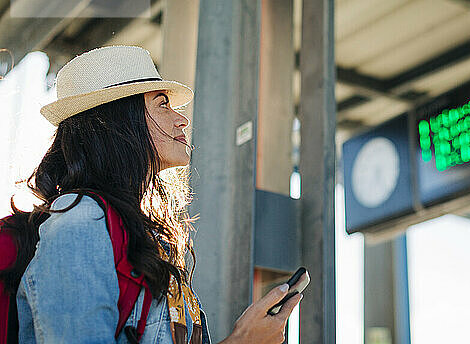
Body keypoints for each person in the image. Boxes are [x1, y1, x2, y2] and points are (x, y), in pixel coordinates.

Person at [7, 46, 302, 343]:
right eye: (162, 105)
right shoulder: (80, 219)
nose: (181, 119)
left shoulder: (143, 237)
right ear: (119, 121)